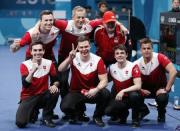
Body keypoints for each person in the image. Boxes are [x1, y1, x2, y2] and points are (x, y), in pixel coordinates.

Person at [10, 10, 60, 121]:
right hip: (32, 58)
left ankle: (48, 113)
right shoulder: (32, 33)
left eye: (50, 20)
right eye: (45, 20)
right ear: (40, 21)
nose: (48, 22)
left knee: (56, 84)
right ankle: (33, 108)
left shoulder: (56, 29)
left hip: (48, 58)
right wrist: (14, 46)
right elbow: (15, 49)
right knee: (31, 83)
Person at [58, 36, 110, 127]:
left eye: (86, 46)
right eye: (81, 47)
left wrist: (96, 89)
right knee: (64, 107)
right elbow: (60, 69)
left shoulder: (98, 60)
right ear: (78, 48)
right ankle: (77, 114)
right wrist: (69, 59)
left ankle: (97, 117)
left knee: (106, 94)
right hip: (76, 92)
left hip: (92, 91)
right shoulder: (73, 57)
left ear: (90, 46)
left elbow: (104, 81)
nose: (84, 49)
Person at [15, 42, 59, 128]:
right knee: (20, 123)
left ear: (43, 51)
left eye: (40, 50)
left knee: (55, 92)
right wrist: (32, 72)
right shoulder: (25, 65)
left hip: (43, 95)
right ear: (31, 52)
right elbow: (25, 84)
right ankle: (34, 111)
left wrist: (55, 85)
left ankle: (47, 117)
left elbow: (56, 80)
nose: (37, 52)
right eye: (35, 50)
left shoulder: (49, 63)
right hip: (28, 97)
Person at [135, 37, 177, 122]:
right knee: (133, 95)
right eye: (144, 48)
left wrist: (166, 89)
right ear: (141, 50)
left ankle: (161, 113)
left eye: (148, 48)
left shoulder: (160, 57)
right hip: (145, 90)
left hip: (159, 89)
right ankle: (143, 110)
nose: (146, 50)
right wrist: (141, 89)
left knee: (162, 98)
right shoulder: (137, 63)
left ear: (152, 49)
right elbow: (132, 81)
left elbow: (173, 71)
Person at [105, 44, 142, 127]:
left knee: (134, 95)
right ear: (114, 56)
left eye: (122, 53)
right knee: (108, 111)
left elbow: (138, 85)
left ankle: (135, 120)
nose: (120, 55)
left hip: (131, 97)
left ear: (126, 55)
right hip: (119, 98)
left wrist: (123, 91)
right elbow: (105, 81)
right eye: (117, 53)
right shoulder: (111, 68)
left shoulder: (133, 66)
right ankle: (123, 114)